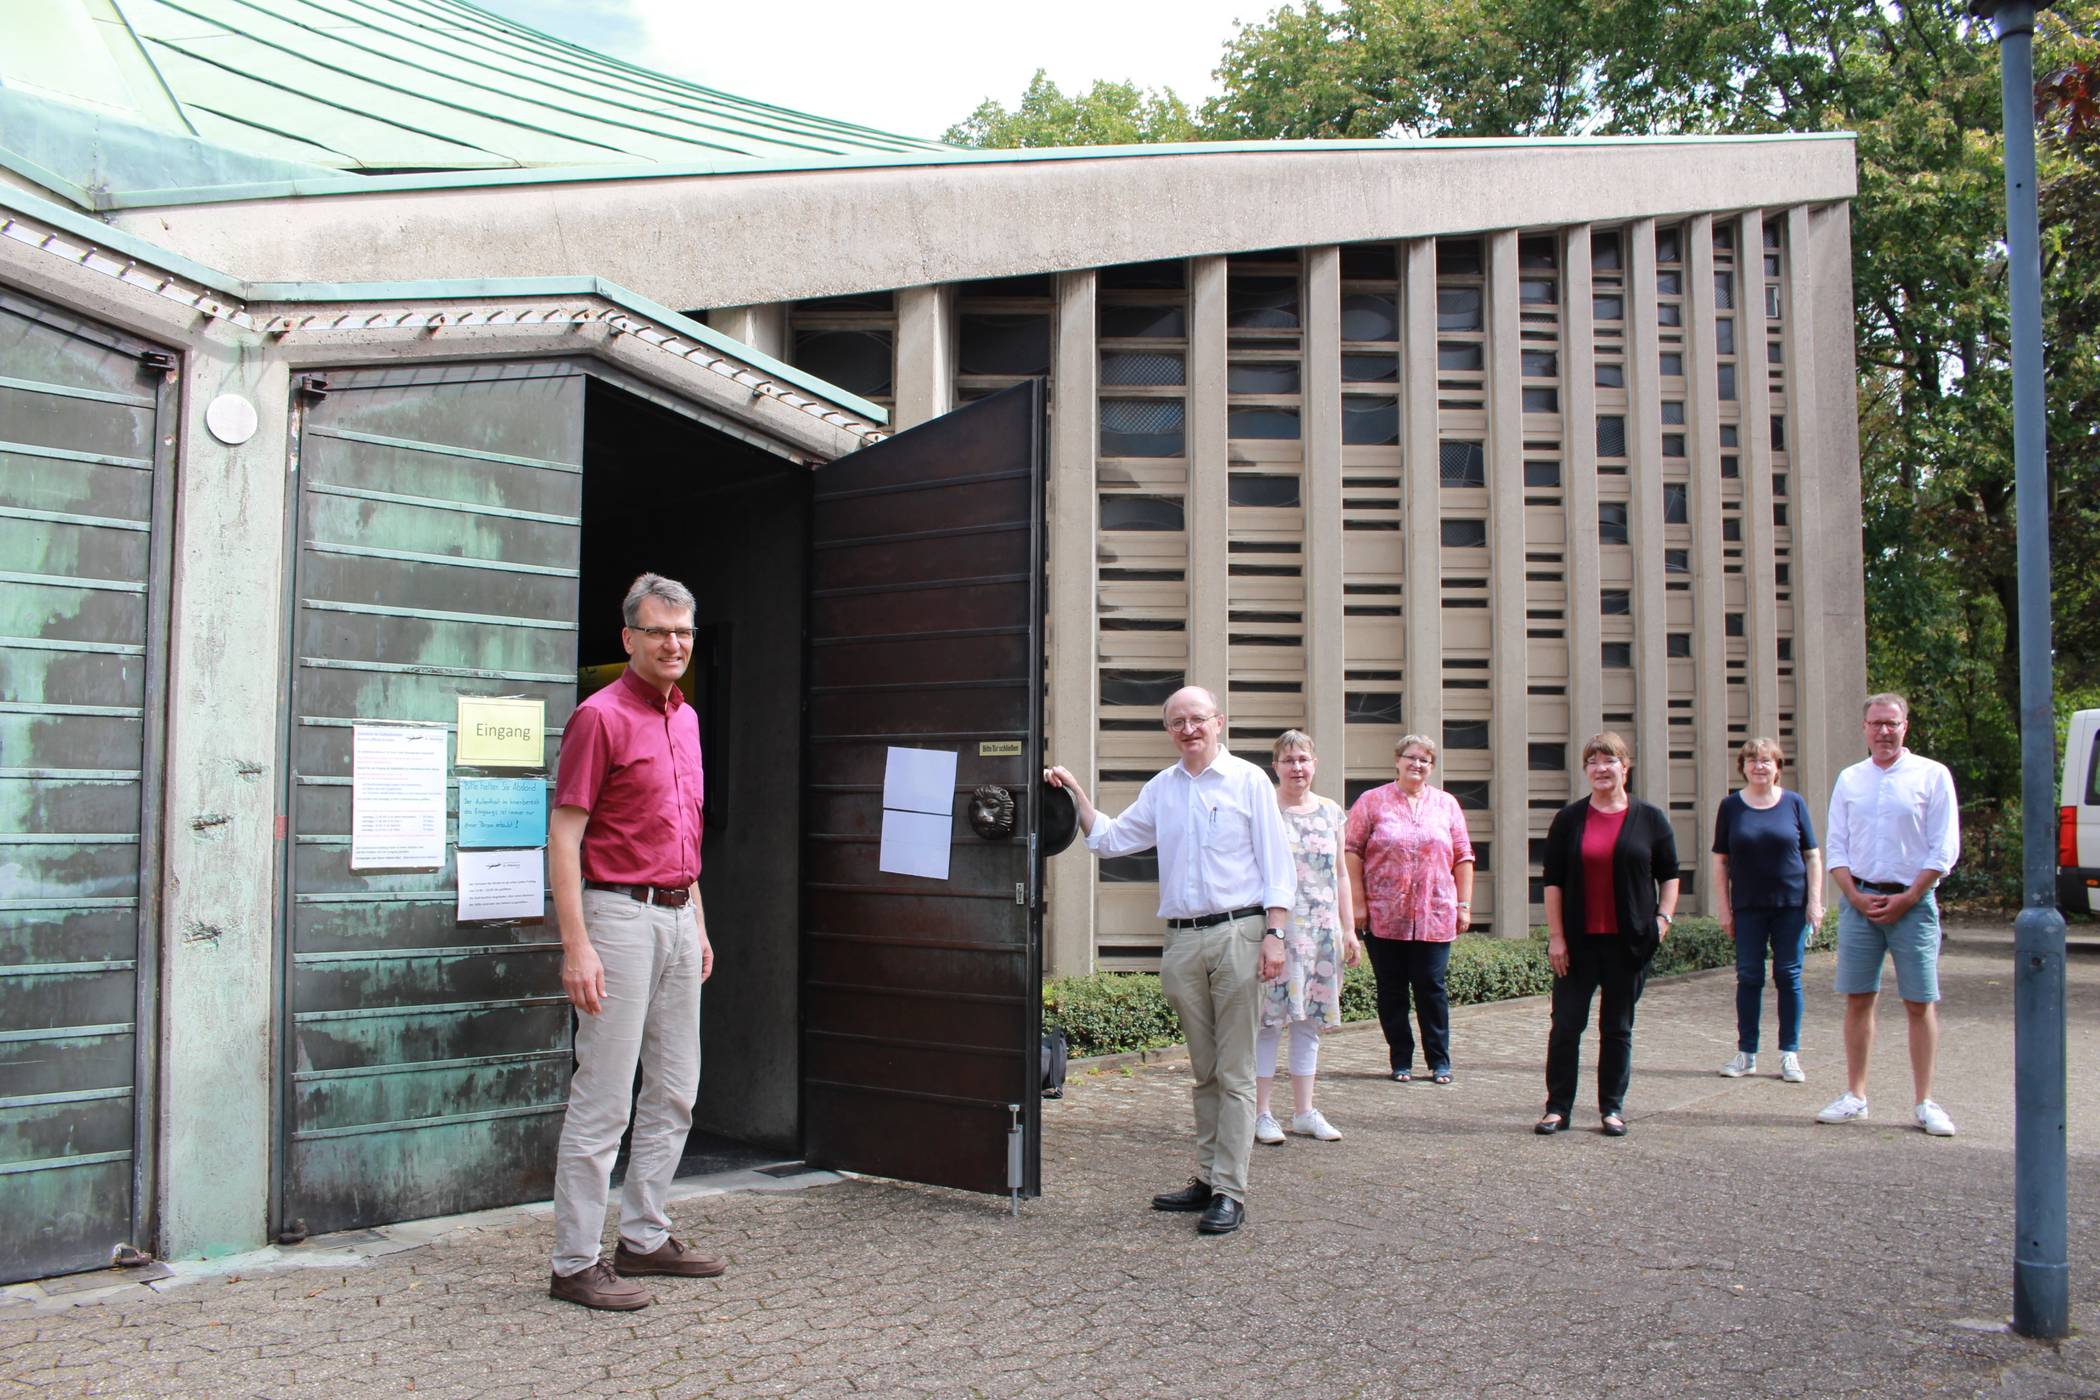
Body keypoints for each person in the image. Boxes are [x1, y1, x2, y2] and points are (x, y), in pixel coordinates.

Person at [1045, 686, 1293, 1236]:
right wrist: (1078, 794)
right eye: (1177, 722)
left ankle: (1230, 1190)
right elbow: (1108, 840)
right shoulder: (1163, 788)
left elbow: (1278, 865)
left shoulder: (1249, 781)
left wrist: (1275, 934)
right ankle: (1206, 1178)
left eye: (1198, 719)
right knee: (1204, 1069)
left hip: (1239, 933)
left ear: (1219, 722)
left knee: (1235, 1071)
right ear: (1168, 730)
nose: (1188, 729)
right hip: (1182, 941)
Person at [545, 573, 721, 1310]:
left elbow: (685, 830)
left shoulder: (687, 719)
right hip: (616, 917)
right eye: (659, 632)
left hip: (680, 915)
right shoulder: (600, 717)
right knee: (605, 1097)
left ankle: (644, 1237)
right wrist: (576, 944)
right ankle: (574, 1263)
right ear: (629, 639)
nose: (674, 644)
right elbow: (564, 833)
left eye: (683, 631)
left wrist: (700, 923)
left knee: (676, 1089)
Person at [1814, 693, 1962, 1136]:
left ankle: (1924, 1102)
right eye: (1876, 723)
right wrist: (1853, 897)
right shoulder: (1850, 779)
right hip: (1860, 905)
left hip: (1913, 905)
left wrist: (1911, 895)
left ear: (1905, 727)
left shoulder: (1932, 776)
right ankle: (1855, 1095)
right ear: (1864, 728)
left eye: (1891, 723)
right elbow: (1836, 846)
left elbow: (1944, 848)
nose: (1883, 731)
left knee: (1920, 1002)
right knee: (1858, 999)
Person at [1537, 732, 1680, 1137]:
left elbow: (1669, 875)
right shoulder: (1568, 820)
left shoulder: (1650, 818)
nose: (1601, 768)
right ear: (1586, 770)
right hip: (1578, 945)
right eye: (1593, 762)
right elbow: (1553, 882)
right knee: (1566, 1025)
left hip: (1629, 944)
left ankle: (1611, 1109)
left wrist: (1662, 920)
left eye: (1609, 761)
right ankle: (1557, 1108)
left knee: (1617, 1028)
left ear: (1625, 766)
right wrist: (1556, 936)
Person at [1344, 734, 1475, 1085]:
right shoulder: (1372, 801)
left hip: (1435, 913)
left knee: (1432, 987)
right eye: (1411, 757)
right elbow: (1351, 851)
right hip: (1385, 915)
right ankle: (1400, 1060)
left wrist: (1464, 905)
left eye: (1425, 760)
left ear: (1431, 767)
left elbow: (1463, 856)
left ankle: (1439, 1061)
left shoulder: (1446, 804)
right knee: (1392, 990)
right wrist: (1357, 903)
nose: (1417, 764)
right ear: (1397, 760)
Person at [1254, 732, 1360, 1146]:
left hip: (1320, 933)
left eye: (1303, 759)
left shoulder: (1333, 812)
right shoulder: (1265, 810)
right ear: (1275, 767)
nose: (1296, 767)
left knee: (1308, 1024)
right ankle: (1261, 1114)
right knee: (1268, 1024)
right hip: (1278, 932)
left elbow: (1340, 874)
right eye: (1287, 760)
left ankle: (1303, 1111)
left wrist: (1348, 929)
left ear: (1315, 763)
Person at [1712, 738, 1824, 1082]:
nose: (1759, 766)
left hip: (1790, 905)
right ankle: (1746, 1054)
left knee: (1788, 977)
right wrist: (1725, 909)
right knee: (1749, 977)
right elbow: (1721, 862)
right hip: (1748, 907)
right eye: (1752, 760)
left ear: (1778, 767)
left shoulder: (1793, 803)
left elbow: (1812, 856)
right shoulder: (1731, 807)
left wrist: (1815, 903)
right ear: (1742, 767)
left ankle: (1790, 1054)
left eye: (1766, 761)